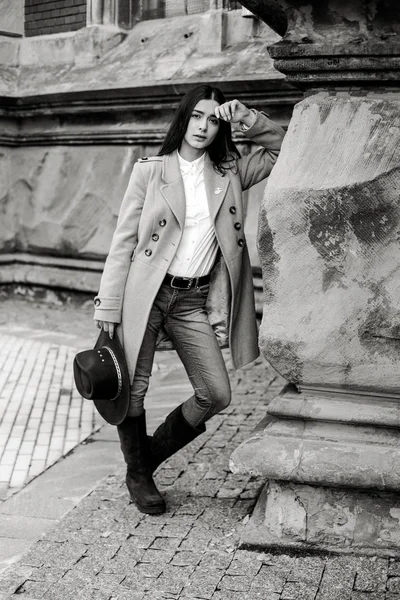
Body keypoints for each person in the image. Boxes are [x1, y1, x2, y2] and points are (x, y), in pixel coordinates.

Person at [94, 85, 285, 515]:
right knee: (134, 389)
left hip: (192, 300)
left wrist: (246, 117)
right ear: (184, 119)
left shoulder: (230, 171)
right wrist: (107, 303)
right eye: (197, 116)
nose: (203, 126)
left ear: (220, 127)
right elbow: (123, 240)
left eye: (212, 119)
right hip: (145, 295)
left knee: (216, 393)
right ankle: (140, 477)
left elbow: (281, 149)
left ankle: (144, 460)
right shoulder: (151, 171)